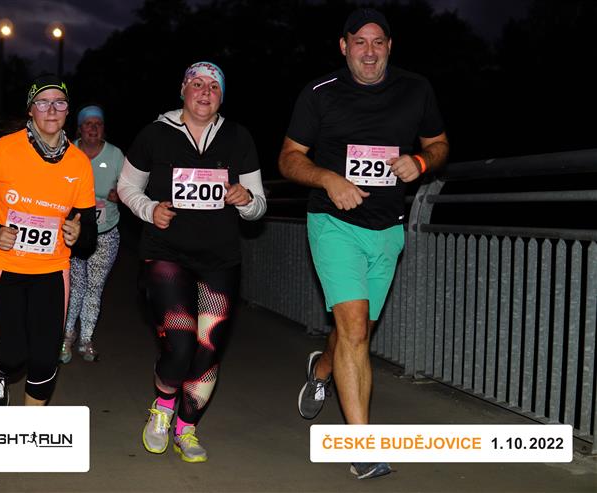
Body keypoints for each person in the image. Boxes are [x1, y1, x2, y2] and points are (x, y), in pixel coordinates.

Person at [278, 8, 449, 479]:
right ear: (344, 46)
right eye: (360, 42)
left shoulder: (416, 89)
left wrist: (421, 161)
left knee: (357, 331)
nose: (369, 52)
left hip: (388, 228)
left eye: (378, 42)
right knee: (354, 330)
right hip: (333, 223)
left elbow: (439, 143)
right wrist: (328, 178)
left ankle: (321, 369)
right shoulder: (320, 93)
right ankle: (362, 448)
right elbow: (289, 158)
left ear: (389, 47)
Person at [118, 61, 266, 462]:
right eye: (197, 84)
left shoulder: (238, 137)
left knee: (209, 347)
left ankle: (187, 428)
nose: (205, 92)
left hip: (219, 259)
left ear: (222, 97)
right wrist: (150, 210)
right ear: (183, 90)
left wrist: (247, 201)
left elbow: (258, 204)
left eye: (213, 87)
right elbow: (127, 186)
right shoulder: (154, 134)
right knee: (180, 345)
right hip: (166, 254)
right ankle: (163, 407)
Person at [0, 74, 96, 406]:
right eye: (43, 102)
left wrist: (80, 234)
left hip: (52, 269)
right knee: (12, 356)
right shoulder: (4, 149)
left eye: (59, 103)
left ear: (68, 110)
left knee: (44, 359)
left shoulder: (79, 163)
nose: (51, 109)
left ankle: (27, 430)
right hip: (3, 265)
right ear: (30, 110)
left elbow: (89, 231)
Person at [59, 104, 125, 363]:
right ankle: (67, 336)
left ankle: (86, 339)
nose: (93, 129)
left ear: (103, 129)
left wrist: (120, 195)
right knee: (76, 286)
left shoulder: (115, 155)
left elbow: (130, 187)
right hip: (74, 233)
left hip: (106, 233)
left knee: (94, 288)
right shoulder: (68, 151)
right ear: (79, 128)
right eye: (89, 124)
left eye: (98, 124)